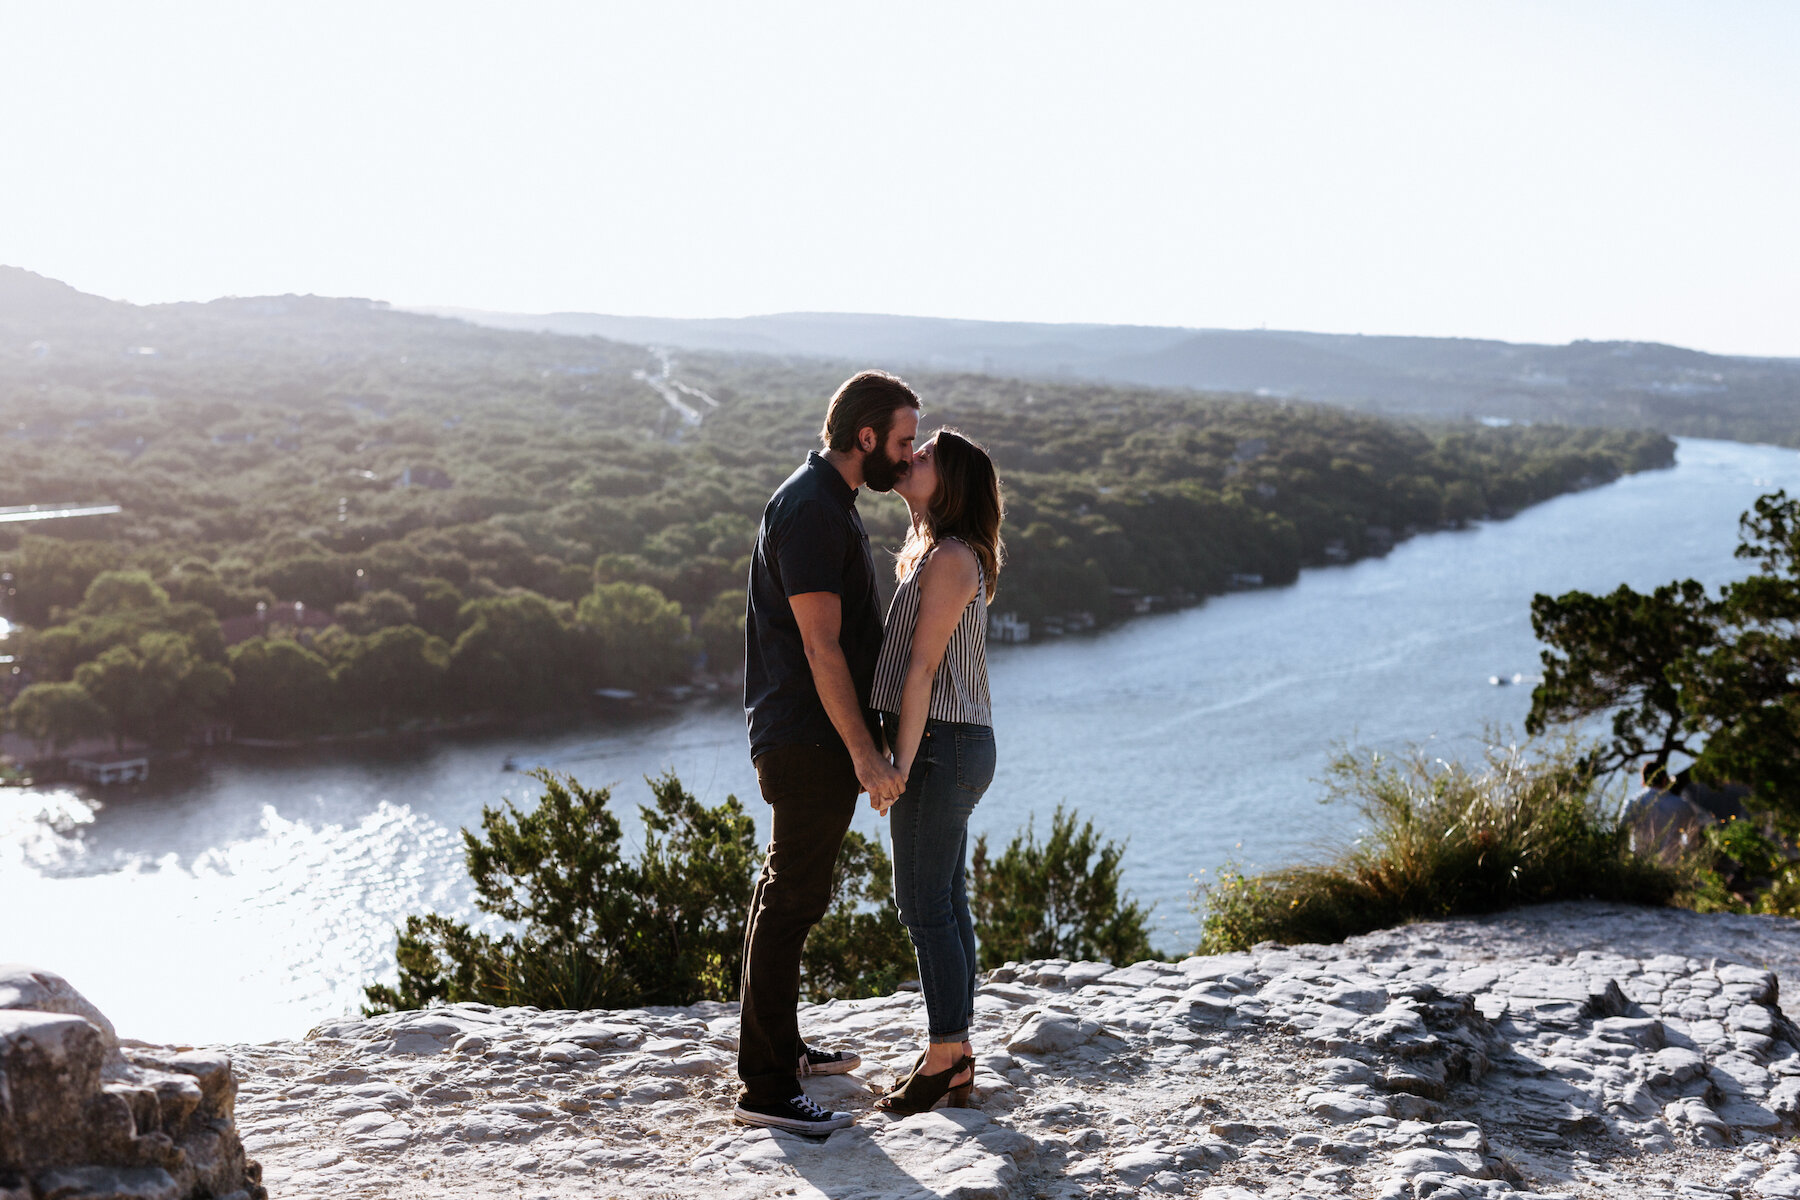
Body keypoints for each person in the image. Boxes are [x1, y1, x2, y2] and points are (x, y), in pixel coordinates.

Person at [732, 370, 919, 1135]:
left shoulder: (826, 502)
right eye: (902, 442)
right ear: (865, 437)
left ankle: (782, 1051)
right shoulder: (811, 510)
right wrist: (867, 757)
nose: (907, 460)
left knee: (790, 895)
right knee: (791, 900)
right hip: (808, 739)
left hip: (810, 737)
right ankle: (767, 1089)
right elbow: (820, 646)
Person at [867, 429, 1004, 1115]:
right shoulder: (934, 550)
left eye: (922, 458)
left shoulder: (951, 557)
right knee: (945, 901)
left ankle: (946, 1055)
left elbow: (921, 670)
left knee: (923, 904)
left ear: (948, 484)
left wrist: (897, 764)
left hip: (942, 744)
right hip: (955, 742)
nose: (908, 459)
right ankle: (955, 1053)